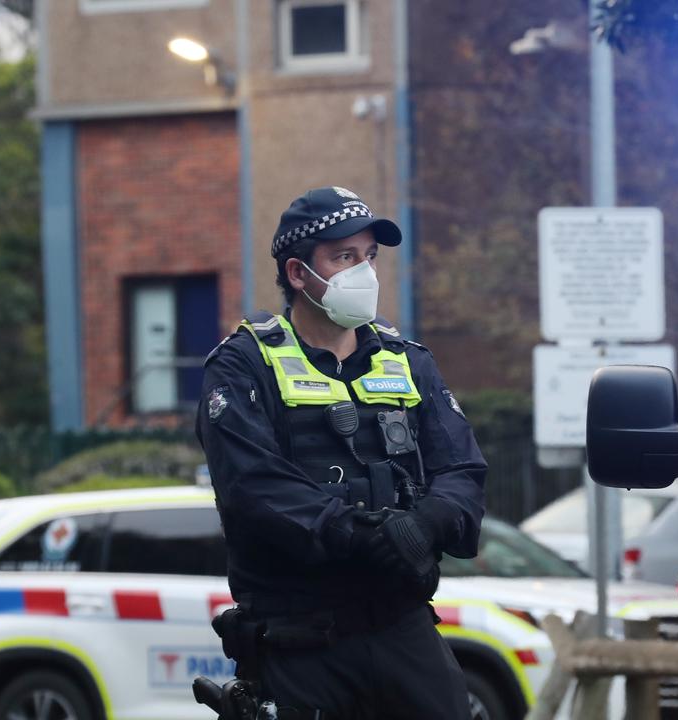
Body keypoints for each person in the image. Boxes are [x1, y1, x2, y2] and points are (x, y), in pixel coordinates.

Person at [196, 186, 486, 719]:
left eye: (370, 256)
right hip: (299, 640)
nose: (365, 273)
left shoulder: (408, 362)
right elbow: (253, 488)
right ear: (298, 273)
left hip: (401, 625)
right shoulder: (243, 366)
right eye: (344, 257)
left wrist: (421, 526)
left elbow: (462, 470)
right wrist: (359, 533)